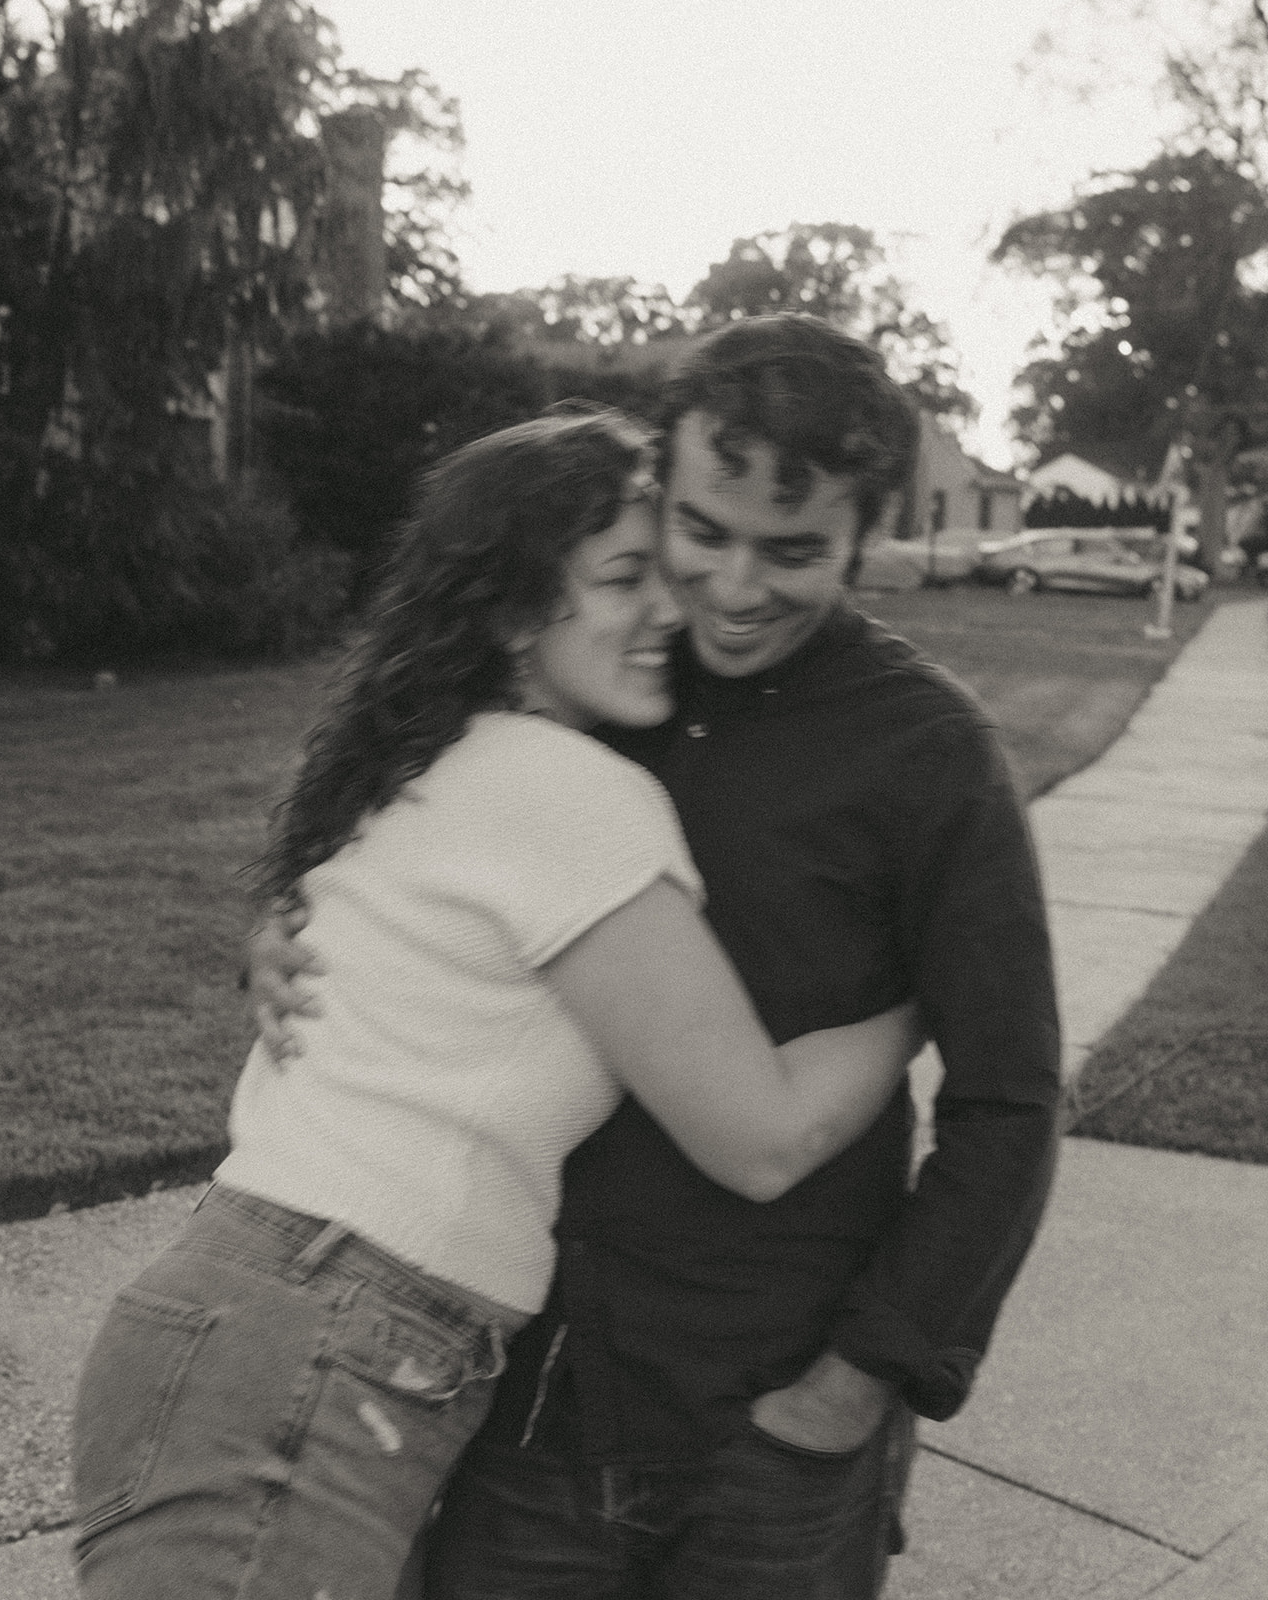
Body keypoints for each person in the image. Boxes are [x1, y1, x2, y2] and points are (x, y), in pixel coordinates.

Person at [253, 317, 1063, 1600]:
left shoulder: (929, 757)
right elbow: (405, 828)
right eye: (703, 533)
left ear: (865, 532)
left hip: (773, 1423)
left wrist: (853, 1386)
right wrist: (291, 930)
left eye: (793, 550)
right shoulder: (593, 679)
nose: (735, 589)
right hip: (516, 1405)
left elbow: (1009, 1103)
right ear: (660, 495)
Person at [69, 408, 923, 1600]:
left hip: (275, 1327)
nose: (670, 611)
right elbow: (764, 1138)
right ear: (515, 609)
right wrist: (918, 992)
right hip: (320, 1347)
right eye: (624, 579)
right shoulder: (564, 789)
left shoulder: (426, 760)